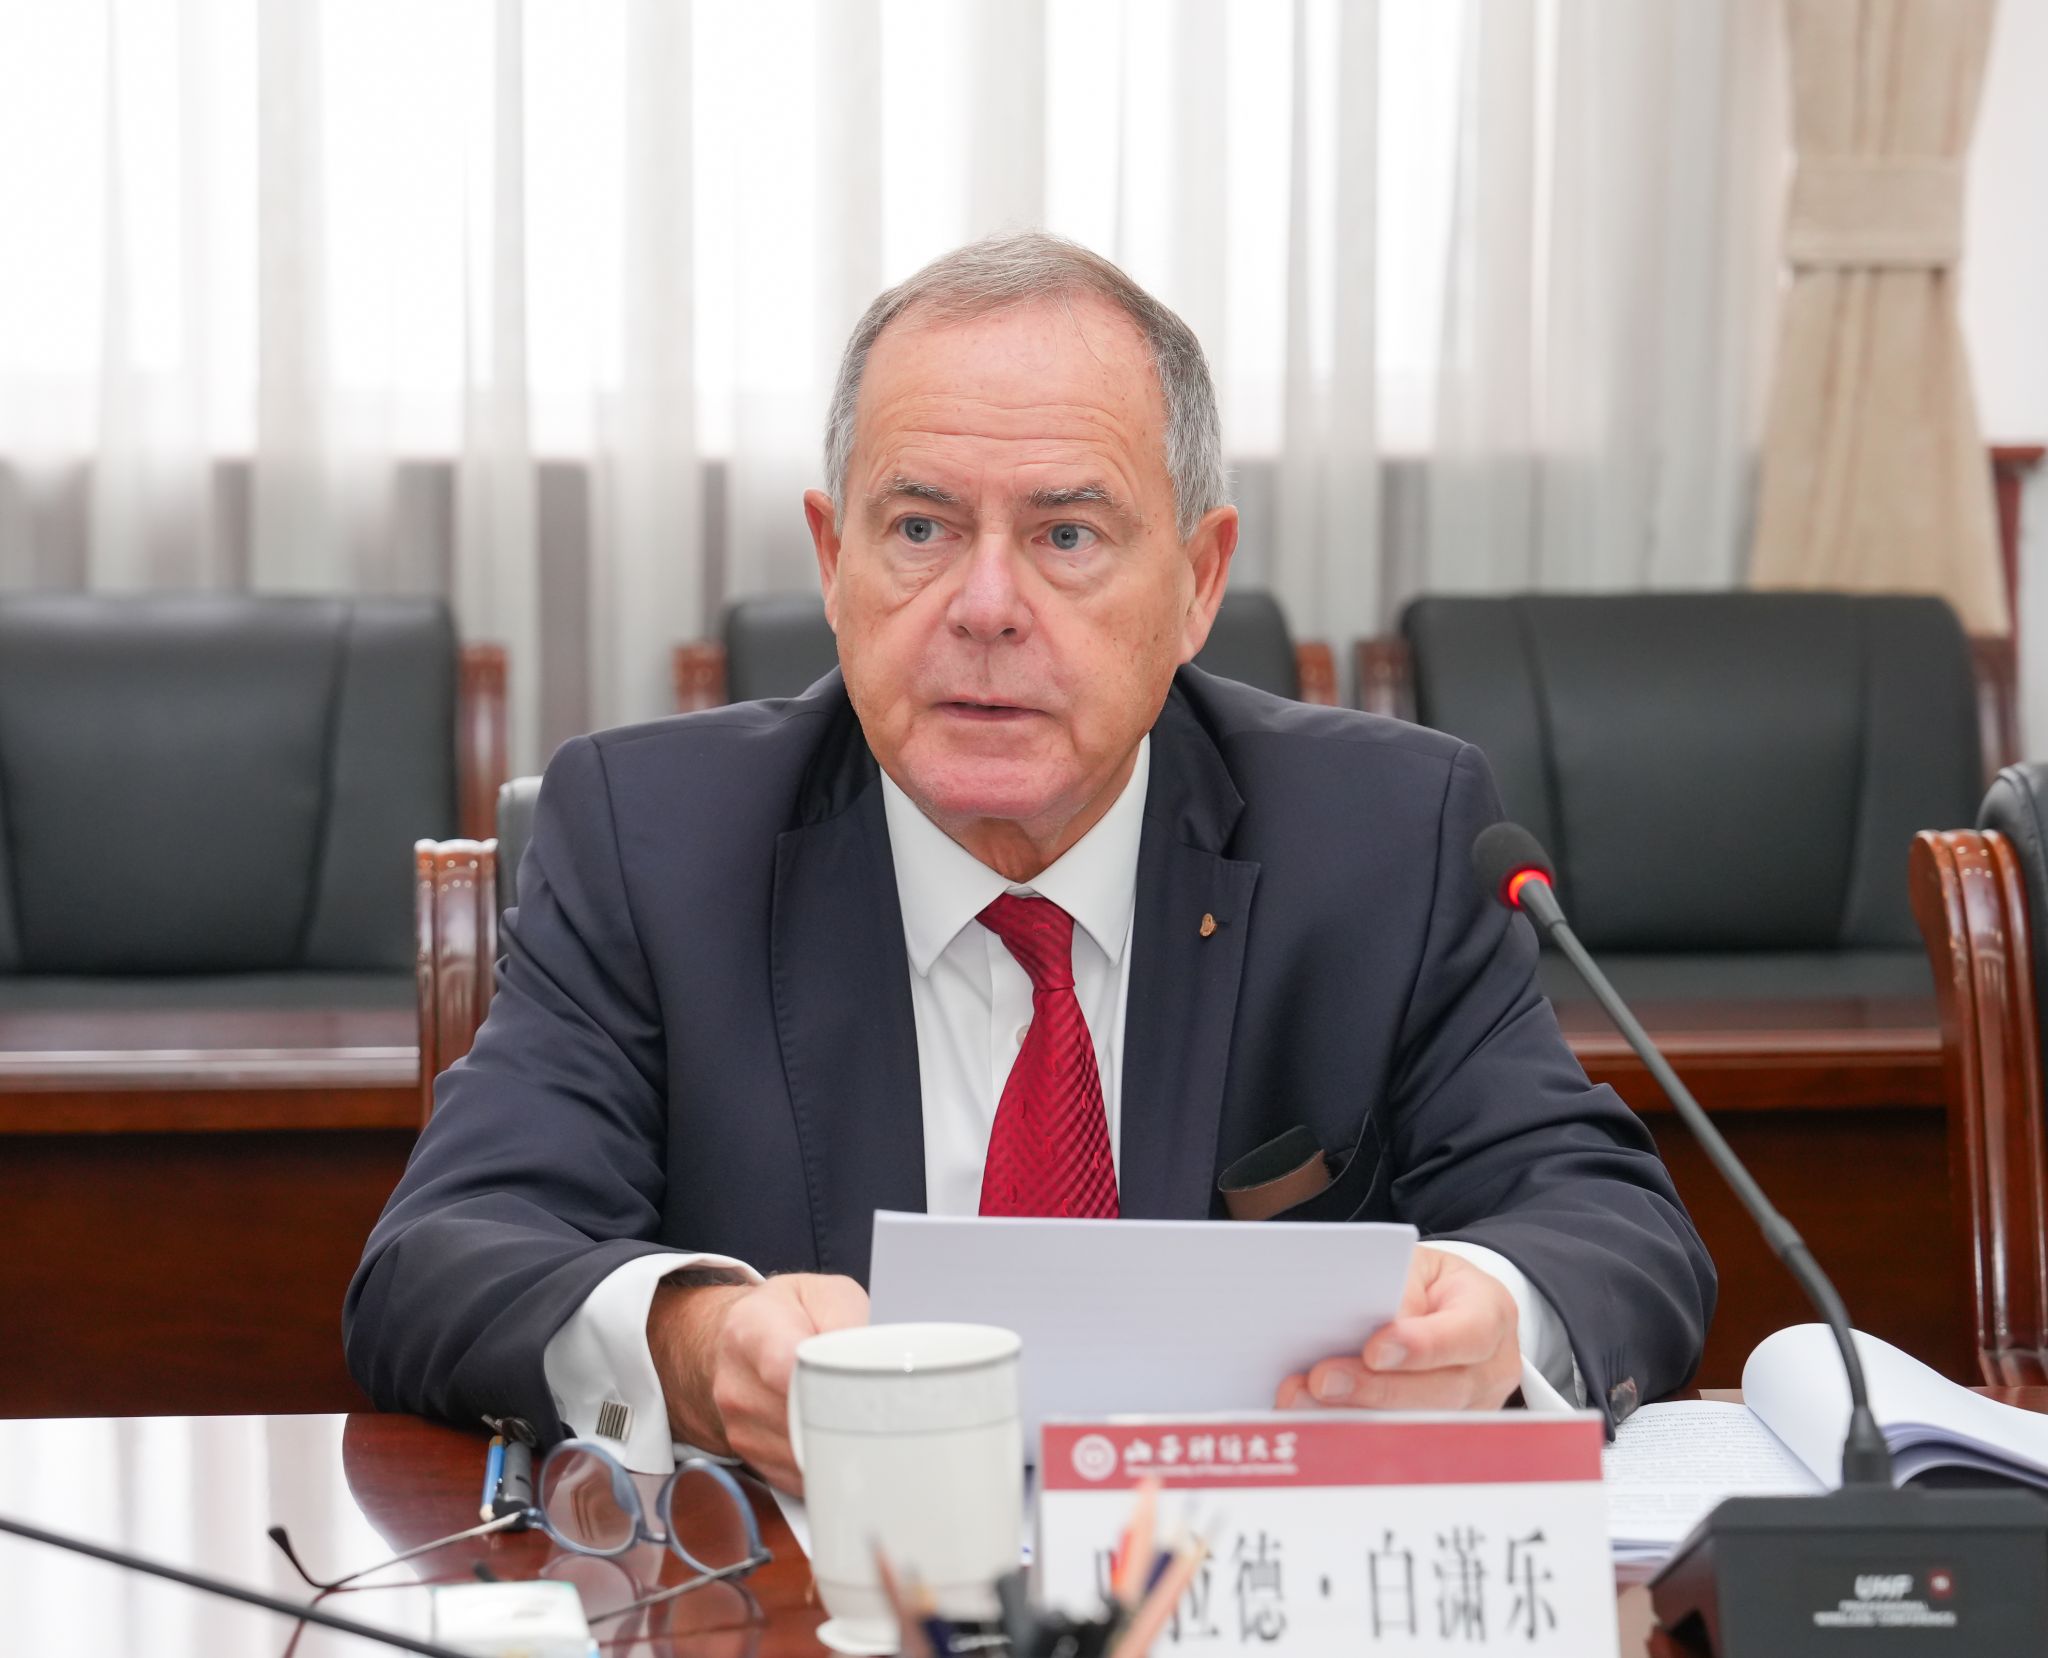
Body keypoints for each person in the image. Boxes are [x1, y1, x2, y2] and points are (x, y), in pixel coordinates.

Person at [346, 232, 1713, 1494]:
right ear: (832, 559)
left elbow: (1606, 1227)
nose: (987, 607)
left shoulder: (1385, 837)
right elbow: (443, 1259)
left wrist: (1488, 1316)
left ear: (1199, 580)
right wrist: (698, 1349)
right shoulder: (653, 840)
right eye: (921, 529)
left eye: (1067, 535)